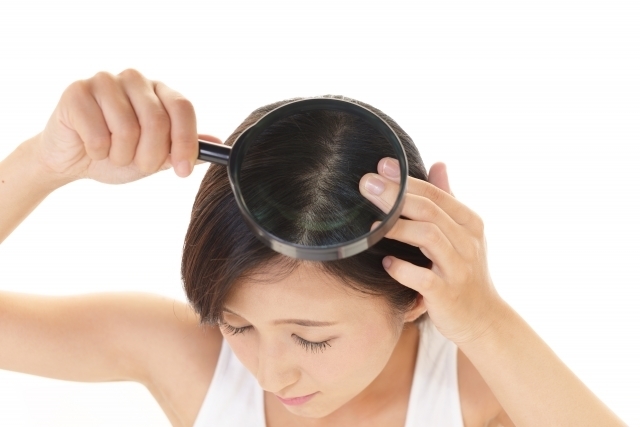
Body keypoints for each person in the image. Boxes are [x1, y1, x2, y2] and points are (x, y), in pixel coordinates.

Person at [0, 69, 626, 427]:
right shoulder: (187, 357)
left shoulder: (475, 394)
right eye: (237, 325)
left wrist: (485, 320)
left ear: (413, 293)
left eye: (312, 339)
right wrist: (43, 165)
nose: (272, 375)